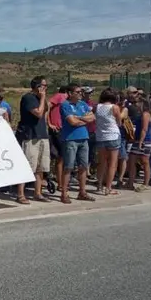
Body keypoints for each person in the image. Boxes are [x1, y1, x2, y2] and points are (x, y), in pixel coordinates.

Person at [17, 76, 51, 204]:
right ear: (37, 86)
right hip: (30, 136)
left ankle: (38, 192)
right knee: (28, 166)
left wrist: (43, 98)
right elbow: (38, 113)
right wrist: (42, 98)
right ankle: (20, 194)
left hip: (42, 134)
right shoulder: (28, 98)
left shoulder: (40, 98)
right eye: (44, 85)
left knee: (40, 167)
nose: (45, 88)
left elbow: (45, 110)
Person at [59, 83, 95, 203]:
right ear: (70, 93)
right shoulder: (65, 105)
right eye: (78, 92)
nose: (80, 94)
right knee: (68, 166)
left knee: (83, 166)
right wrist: (84, 119)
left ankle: (82, 192)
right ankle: (64, 193)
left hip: (83, 138)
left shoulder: (83, 104)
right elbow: (72, 122)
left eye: (81, 92)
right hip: (70, 139)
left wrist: (79, 118)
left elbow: (92, 118)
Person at [94, 88, 122, 196]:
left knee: (102, 162)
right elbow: (119, 122)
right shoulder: (114, 107)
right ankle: (108, 188)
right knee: (112, 164)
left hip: (101, 136)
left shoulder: (98, 107)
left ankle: (99, 185)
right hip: (113, 135)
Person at [126, 98, 151, 193]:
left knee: (145, 161)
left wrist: (141, 141)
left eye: (138, 102)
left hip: (145, 141)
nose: (136, 104)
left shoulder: (146, 114)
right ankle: (130, 182)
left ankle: (145, 183)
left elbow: (144, 129)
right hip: (136, 140)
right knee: (132, 160)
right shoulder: (139, 114)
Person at [47, 86, 68, 192]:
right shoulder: (60, 96)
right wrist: (49, 123)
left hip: (64, 130)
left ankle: (61, 182)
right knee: (61, 158)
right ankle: (60, 183)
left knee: (61, 158)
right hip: (57, 129)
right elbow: (48, 106)